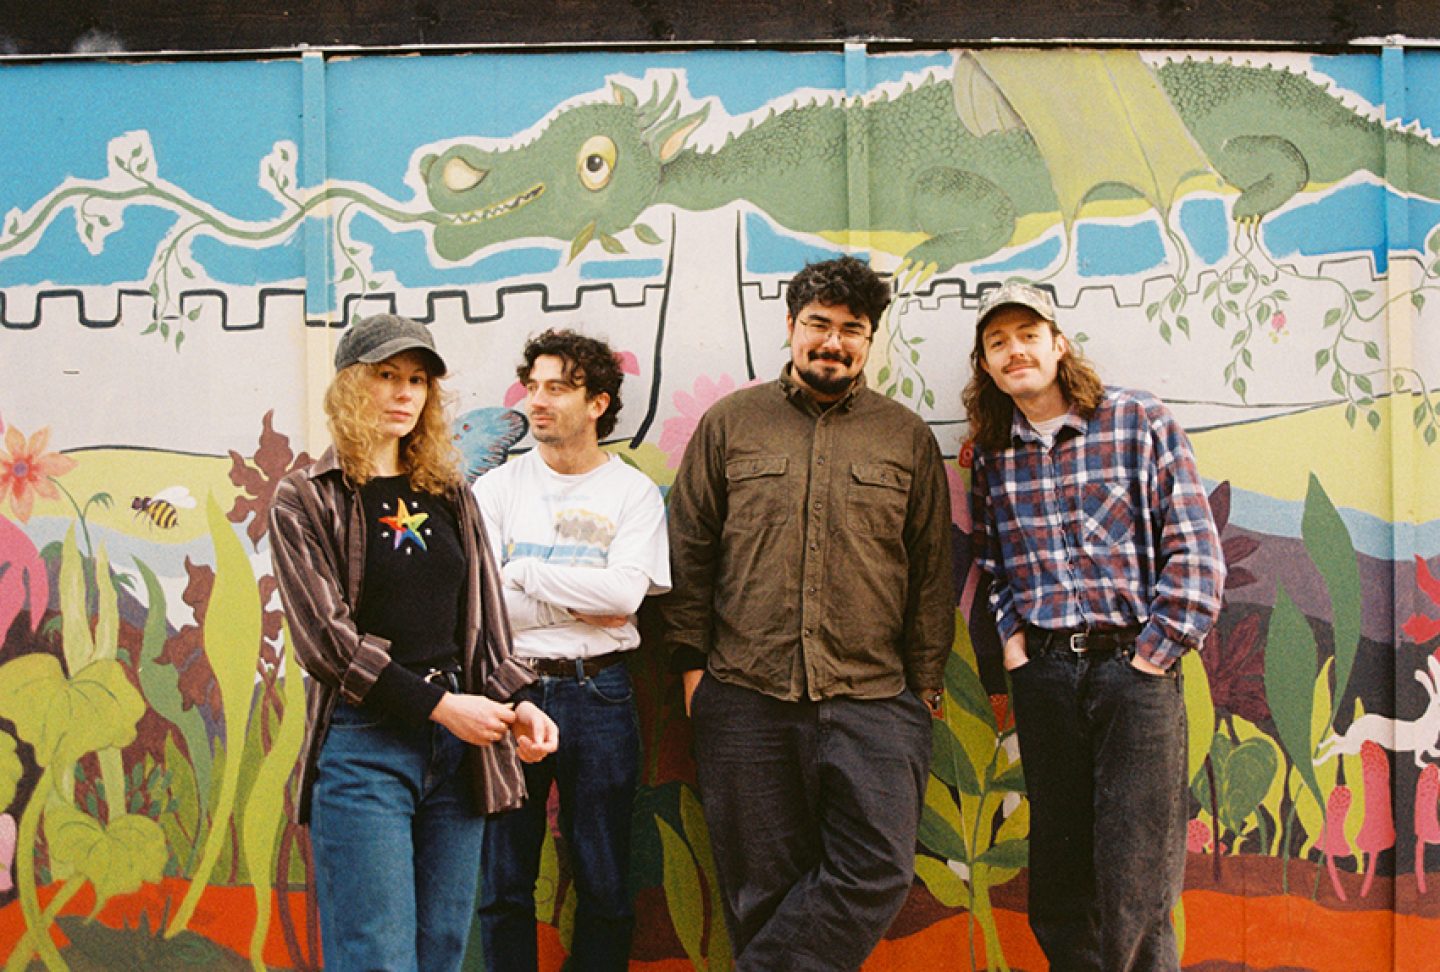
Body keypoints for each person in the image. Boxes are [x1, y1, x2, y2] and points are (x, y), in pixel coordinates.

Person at [662, 256, 955, 970]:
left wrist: (922, 687)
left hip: (874, 696)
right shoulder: (732, 423)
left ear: (869, 340)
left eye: (851, 329)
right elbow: (690, 549)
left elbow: (929, 569)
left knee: (879, 868)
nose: (833, 341)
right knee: (761, 887)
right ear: (791, 326)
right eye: (818, 324)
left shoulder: (905, 436)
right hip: (746, 693)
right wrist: (693, 672)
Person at [268, 313, 559, 972]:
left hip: (458, 756)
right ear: (349, 386)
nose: (403, 393)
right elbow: (327, 642)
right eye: (386, 377)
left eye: (417, 380)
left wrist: (522, 702)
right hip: (367, 745)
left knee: (440, 951)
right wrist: (440, 708)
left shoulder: (450, 493)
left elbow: (483, 625)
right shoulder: (307, 499)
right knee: (376, 954)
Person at [965, 282, 1225, 971]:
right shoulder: (994, 452)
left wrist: (1153, 656)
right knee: (1061, 867)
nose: (1015, 350)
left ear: (1059, 343)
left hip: (1132, 670)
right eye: (998, 343)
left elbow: (1194, 548)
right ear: (986, 367)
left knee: (1136, 871)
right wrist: (1016, 649)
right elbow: (993, 563)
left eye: (1028, 334)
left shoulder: (1137, 420)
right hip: (1045, 675)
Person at [474, 329, 670, 972]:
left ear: (598, 403)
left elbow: (626, 596)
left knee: (606, 881)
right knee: (503, 882)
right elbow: (484, 606)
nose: (537, 401)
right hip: (508, 688)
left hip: (601, 692)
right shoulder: (495, 490)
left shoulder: (633, 494)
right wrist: (591, 599)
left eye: (558, 388)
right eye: (532, 387)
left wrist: (524, 571)